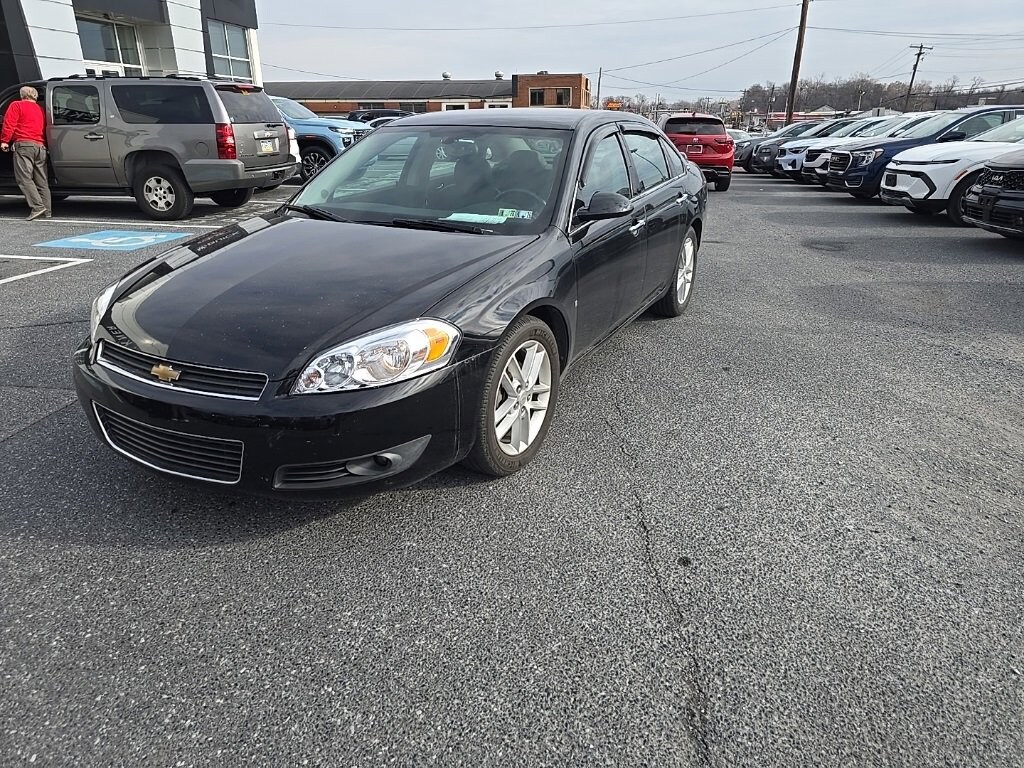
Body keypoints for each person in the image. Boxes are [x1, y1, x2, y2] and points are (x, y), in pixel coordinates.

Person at [1, 85, 51, 220]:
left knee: (24, 178)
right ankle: (47, 210)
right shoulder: (41, 110)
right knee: (41, 180)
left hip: (24, 145)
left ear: (22, 95)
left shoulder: (16, 105)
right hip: (40, 147)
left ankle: (38, 207)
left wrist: (5, 140)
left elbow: (9, 123)